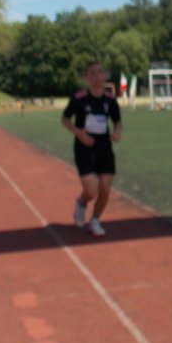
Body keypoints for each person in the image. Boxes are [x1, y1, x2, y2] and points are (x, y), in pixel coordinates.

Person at [61, 61, 122, 237]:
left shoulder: (110, 100)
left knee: (105, 188)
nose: (97, 77)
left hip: (104, 148)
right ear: (86, 77)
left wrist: (117, 132)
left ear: (105, 76)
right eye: (92, 73)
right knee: (91, 190)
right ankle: (81, 203)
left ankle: (95, 219)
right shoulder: (79, 98)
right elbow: (65, 119)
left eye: (100, 72)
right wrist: (78, 133)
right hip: (84, 148)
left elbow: (117, 121)